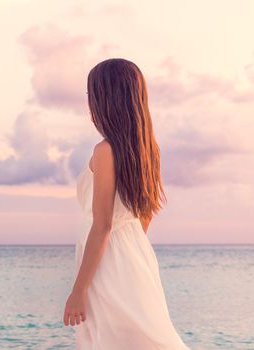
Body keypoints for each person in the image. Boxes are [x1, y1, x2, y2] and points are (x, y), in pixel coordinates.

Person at [63, 58, 190, 349]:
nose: (89, 104)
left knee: (113, 339)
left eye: (90, 96)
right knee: (142, 336)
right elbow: (146, 213)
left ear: (105, 100)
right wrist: (129, 252)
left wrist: (79, 289)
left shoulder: (105, 151)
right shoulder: (147, 150)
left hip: (106, 261)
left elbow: (103, 224)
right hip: (134, 254)